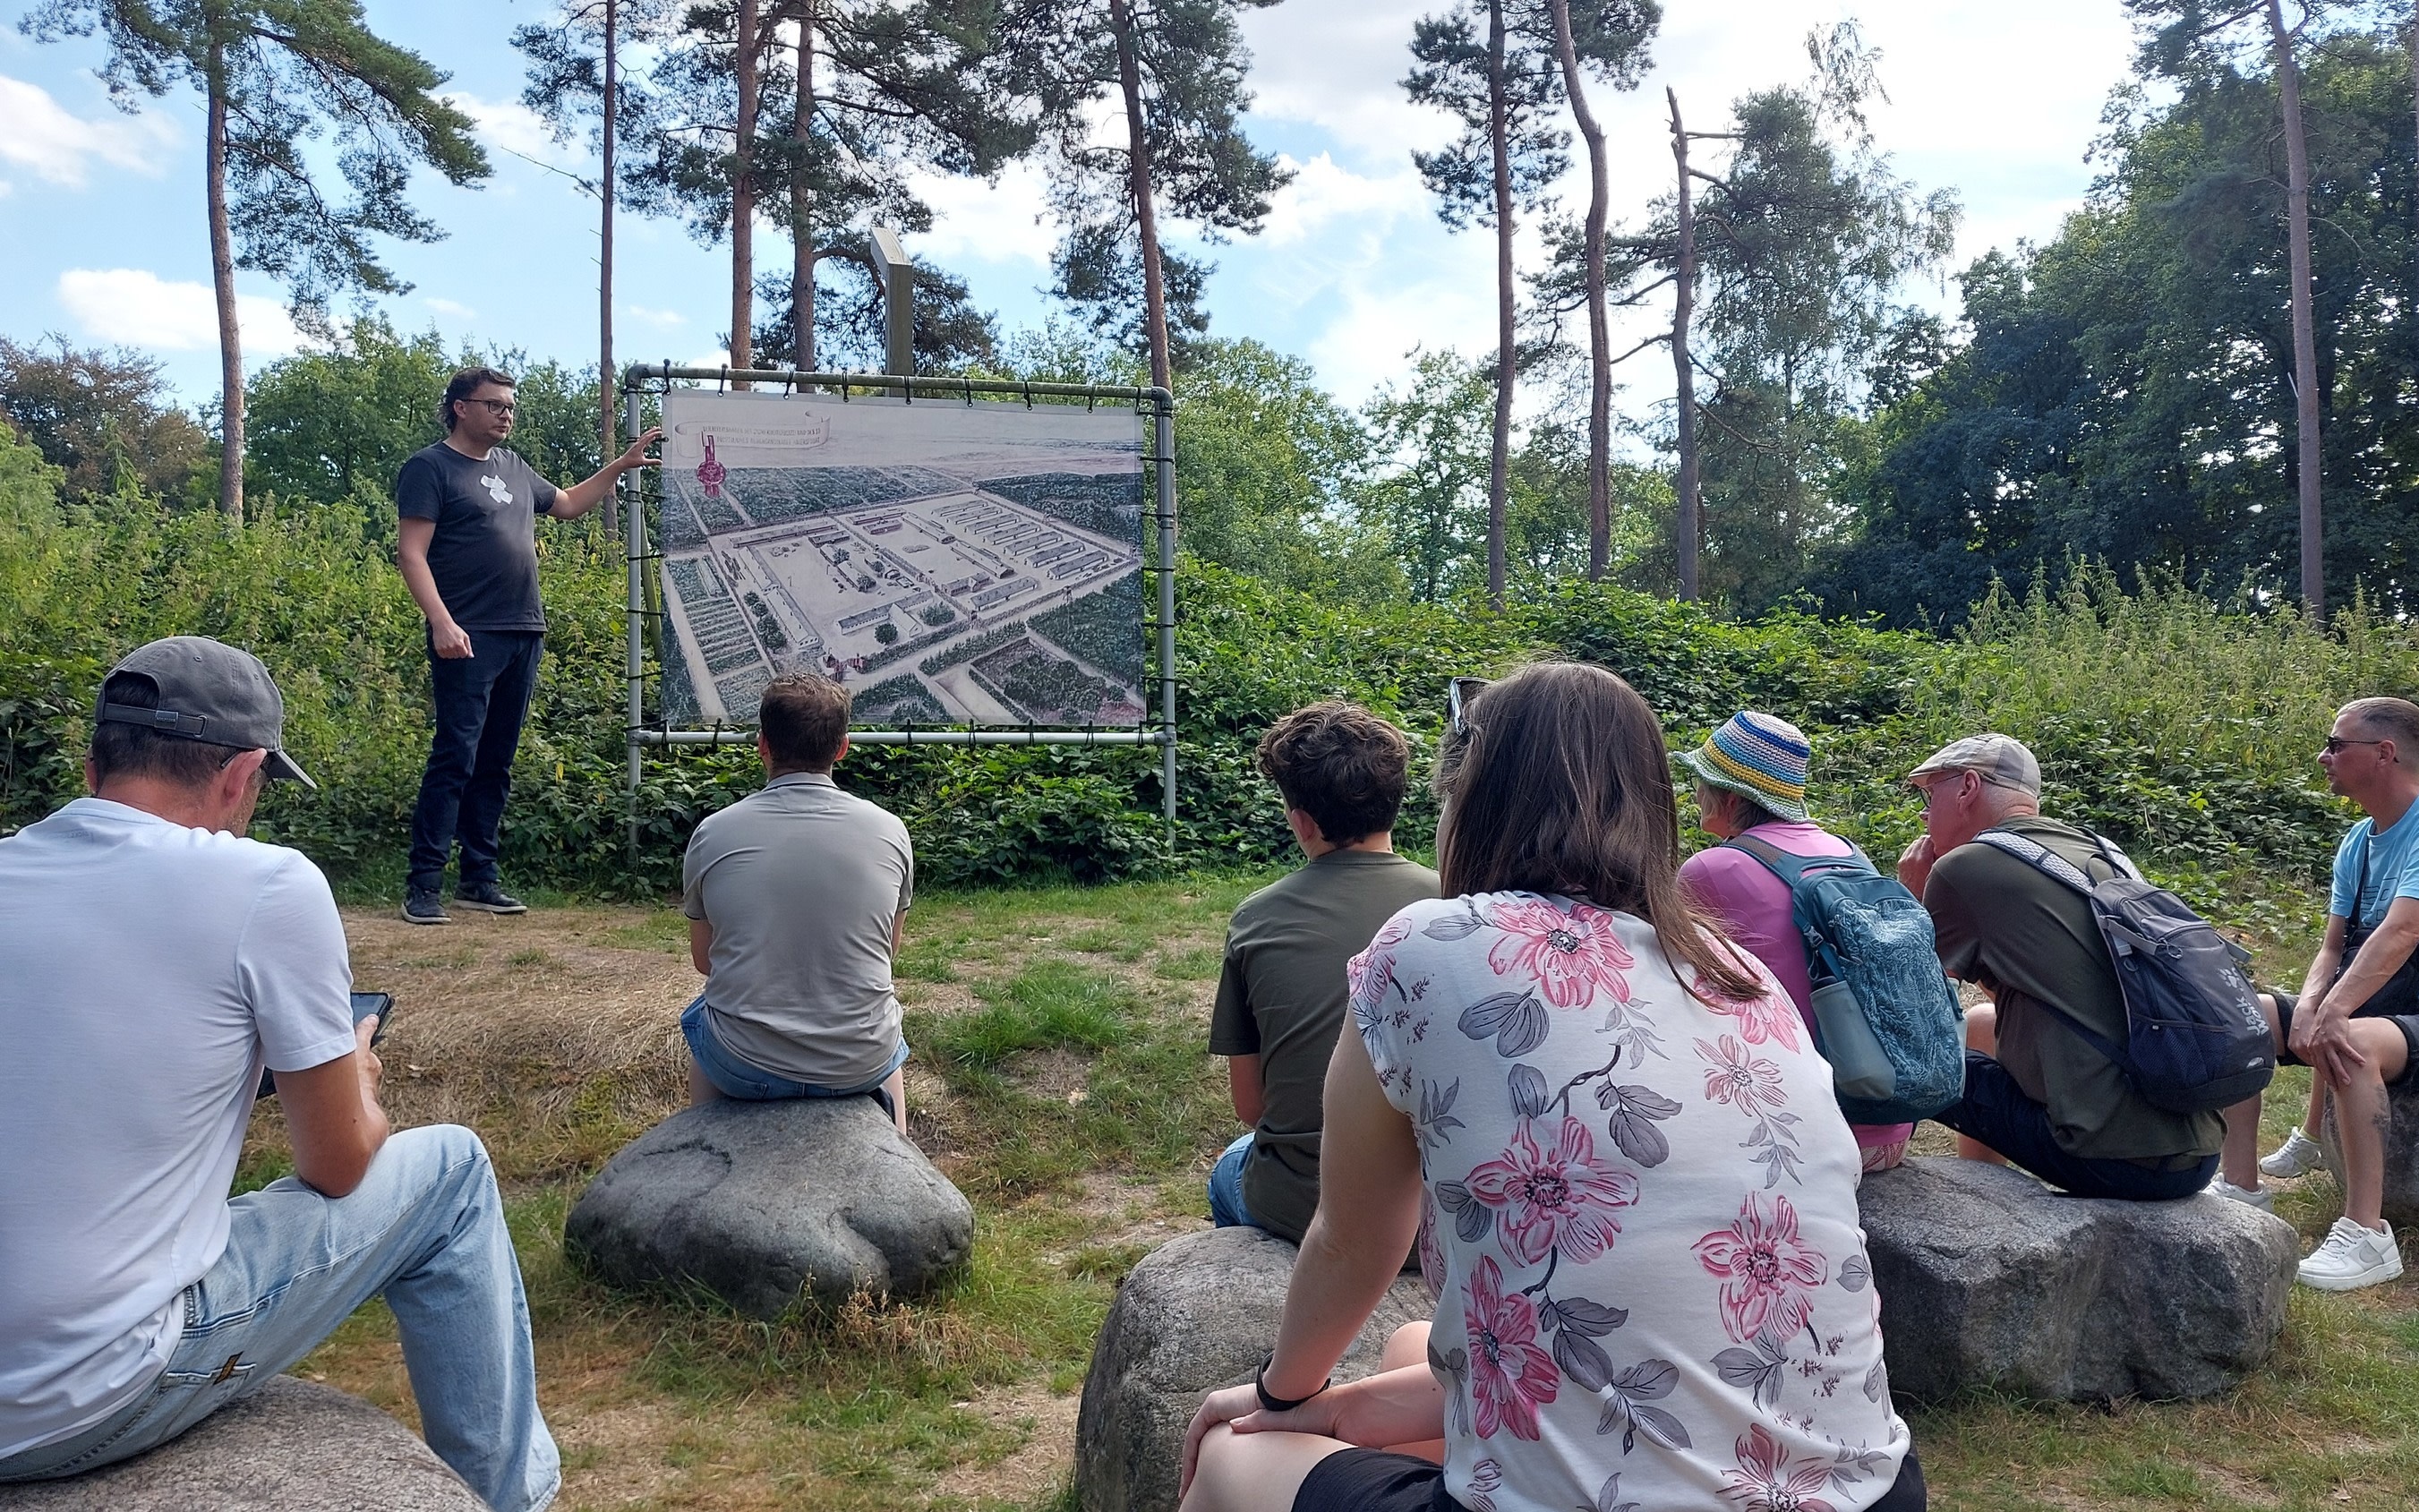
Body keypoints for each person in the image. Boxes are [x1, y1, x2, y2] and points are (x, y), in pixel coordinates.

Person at [1178, 663, 1920, 1512]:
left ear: (1473, 803)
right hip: (1873, 1490)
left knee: (1229, 1463)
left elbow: (1353, 1243)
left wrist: (1278, 1399)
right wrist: (1341, 1411)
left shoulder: (1429, 946)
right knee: (1412, 1346)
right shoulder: (1739, 972)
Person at [0, 638, 557, 1509]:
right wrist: (358, 1070)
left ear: (92, 764)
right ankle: (507, 1498)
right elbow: (336, 1165)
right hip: (67, 1395)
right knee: (451, 1170)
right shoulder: (266, 886)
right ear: (242, 774)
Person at [1896, 733, 2223, 1200]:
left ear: (1968, 787)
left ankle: (1866, 1174)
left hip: (2105, 1156)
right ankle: (1983, 1188)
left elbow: (1911, 1008)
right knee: (1983, 1024)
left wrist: (1913, 895)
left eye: (1932, 794)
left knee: (1908, 1052)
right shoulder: (2098, 850)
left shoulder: (1964, 868)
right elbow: (2048, 993)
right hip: (2196, 1151)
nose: (1925, 814)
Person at [397, 365, 662, 926]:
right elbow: (411, 554)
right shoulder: (429, 468)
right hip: (466, 633)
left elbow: (565, 505)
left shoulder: (513, 466)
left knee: (496, 760)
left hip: (523, 629)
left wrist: (620, 465)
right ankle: (423, 886)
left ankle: (479, 879)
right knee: (456, 757)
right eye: (494, 405)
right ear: (460, 407)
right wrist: (441, 622)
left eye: (510, 406)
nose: (505, 414)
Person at [1207, 702, 1440, 1242]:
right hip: (1436, 1216)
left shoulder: (1255, 919)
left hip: (1308, 1211)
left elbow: (1252, 1105)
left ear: (1302, 820)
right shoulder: (1460, 899)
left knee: (1229, 1168)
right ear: (1395, 802)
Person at [2213, 697, 2419, 1290]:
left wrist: (2332, 1012)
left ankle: (2367, 1233)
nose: (2323, 756)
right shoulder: (2358, 840)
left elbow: (2405, 929)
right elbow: (2333, 948)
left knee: (2348, 1039)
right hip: (2375, 1004)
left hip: (2403, 1017)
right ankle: (2242, 1184)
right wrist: (2306, 1006)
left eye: (2336, 744)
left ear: (2384, 754)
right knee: (2240, 1013)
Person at [1677, 710, 1915, 1173]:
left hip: (1804, 1139)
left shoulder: (1711, 869)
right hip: (1887, 1127)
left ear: (1728, 796)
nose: (1695, 792)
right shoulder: (1850, 853)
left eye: (1701, 780)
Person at [681, 673, 915, 1134]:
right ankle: (901, 1147)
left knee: (700, 1016)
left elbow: (706, 961)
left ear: (762, 744)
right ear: (842, 747)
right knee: (885, 1029)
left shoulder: (713, 833)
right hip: (859, 1064)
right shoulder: (890, 831)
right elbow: (887, 952)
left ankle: (698, 1145)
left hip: (742, 1067)